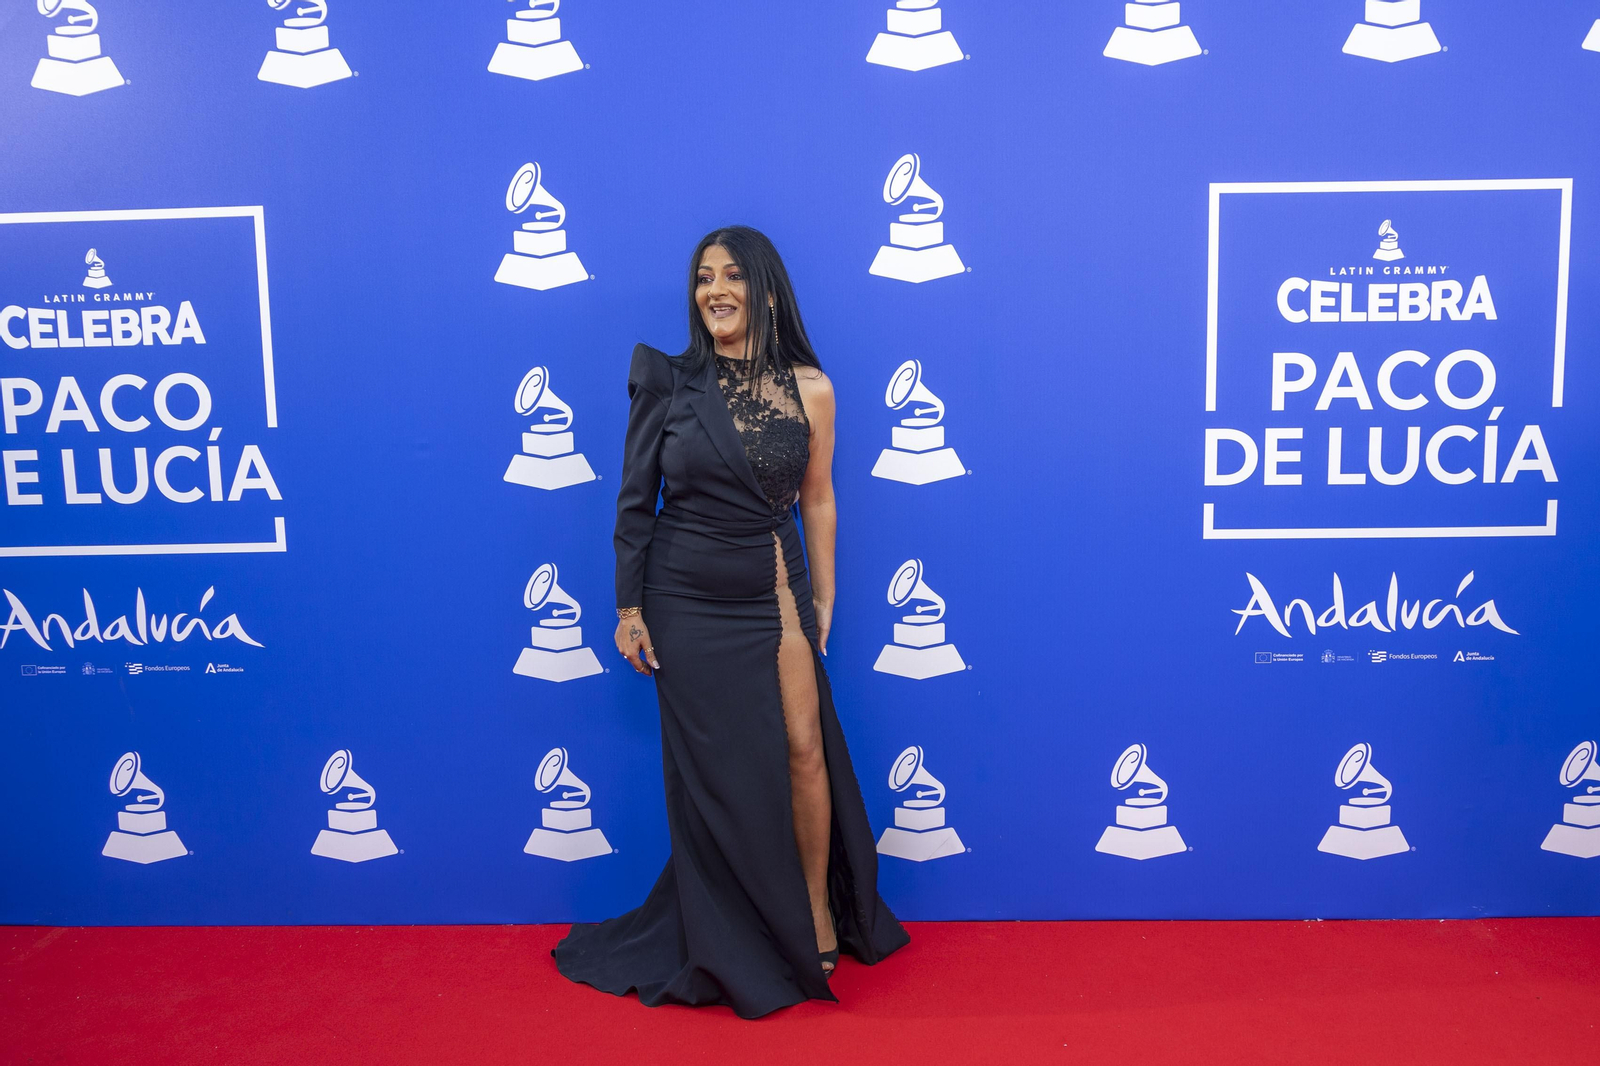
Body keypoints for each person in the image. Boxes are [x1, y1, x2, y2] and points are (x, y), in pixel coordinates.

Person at [553, 226, 909, 1018]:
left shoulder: (811, 388)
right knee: (718, 779)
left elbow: (817, 496)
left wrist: (823, 596)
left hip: (769, 584)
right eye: (702, 277)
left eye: (732, 276)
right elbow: (634, 500)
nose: (714, 289)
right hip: (680, 598)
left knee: (803, 750)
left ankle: (814, 911)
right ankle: (731, 931)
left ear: (766, 289)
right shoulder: (669, 381)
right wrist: (628, 605)